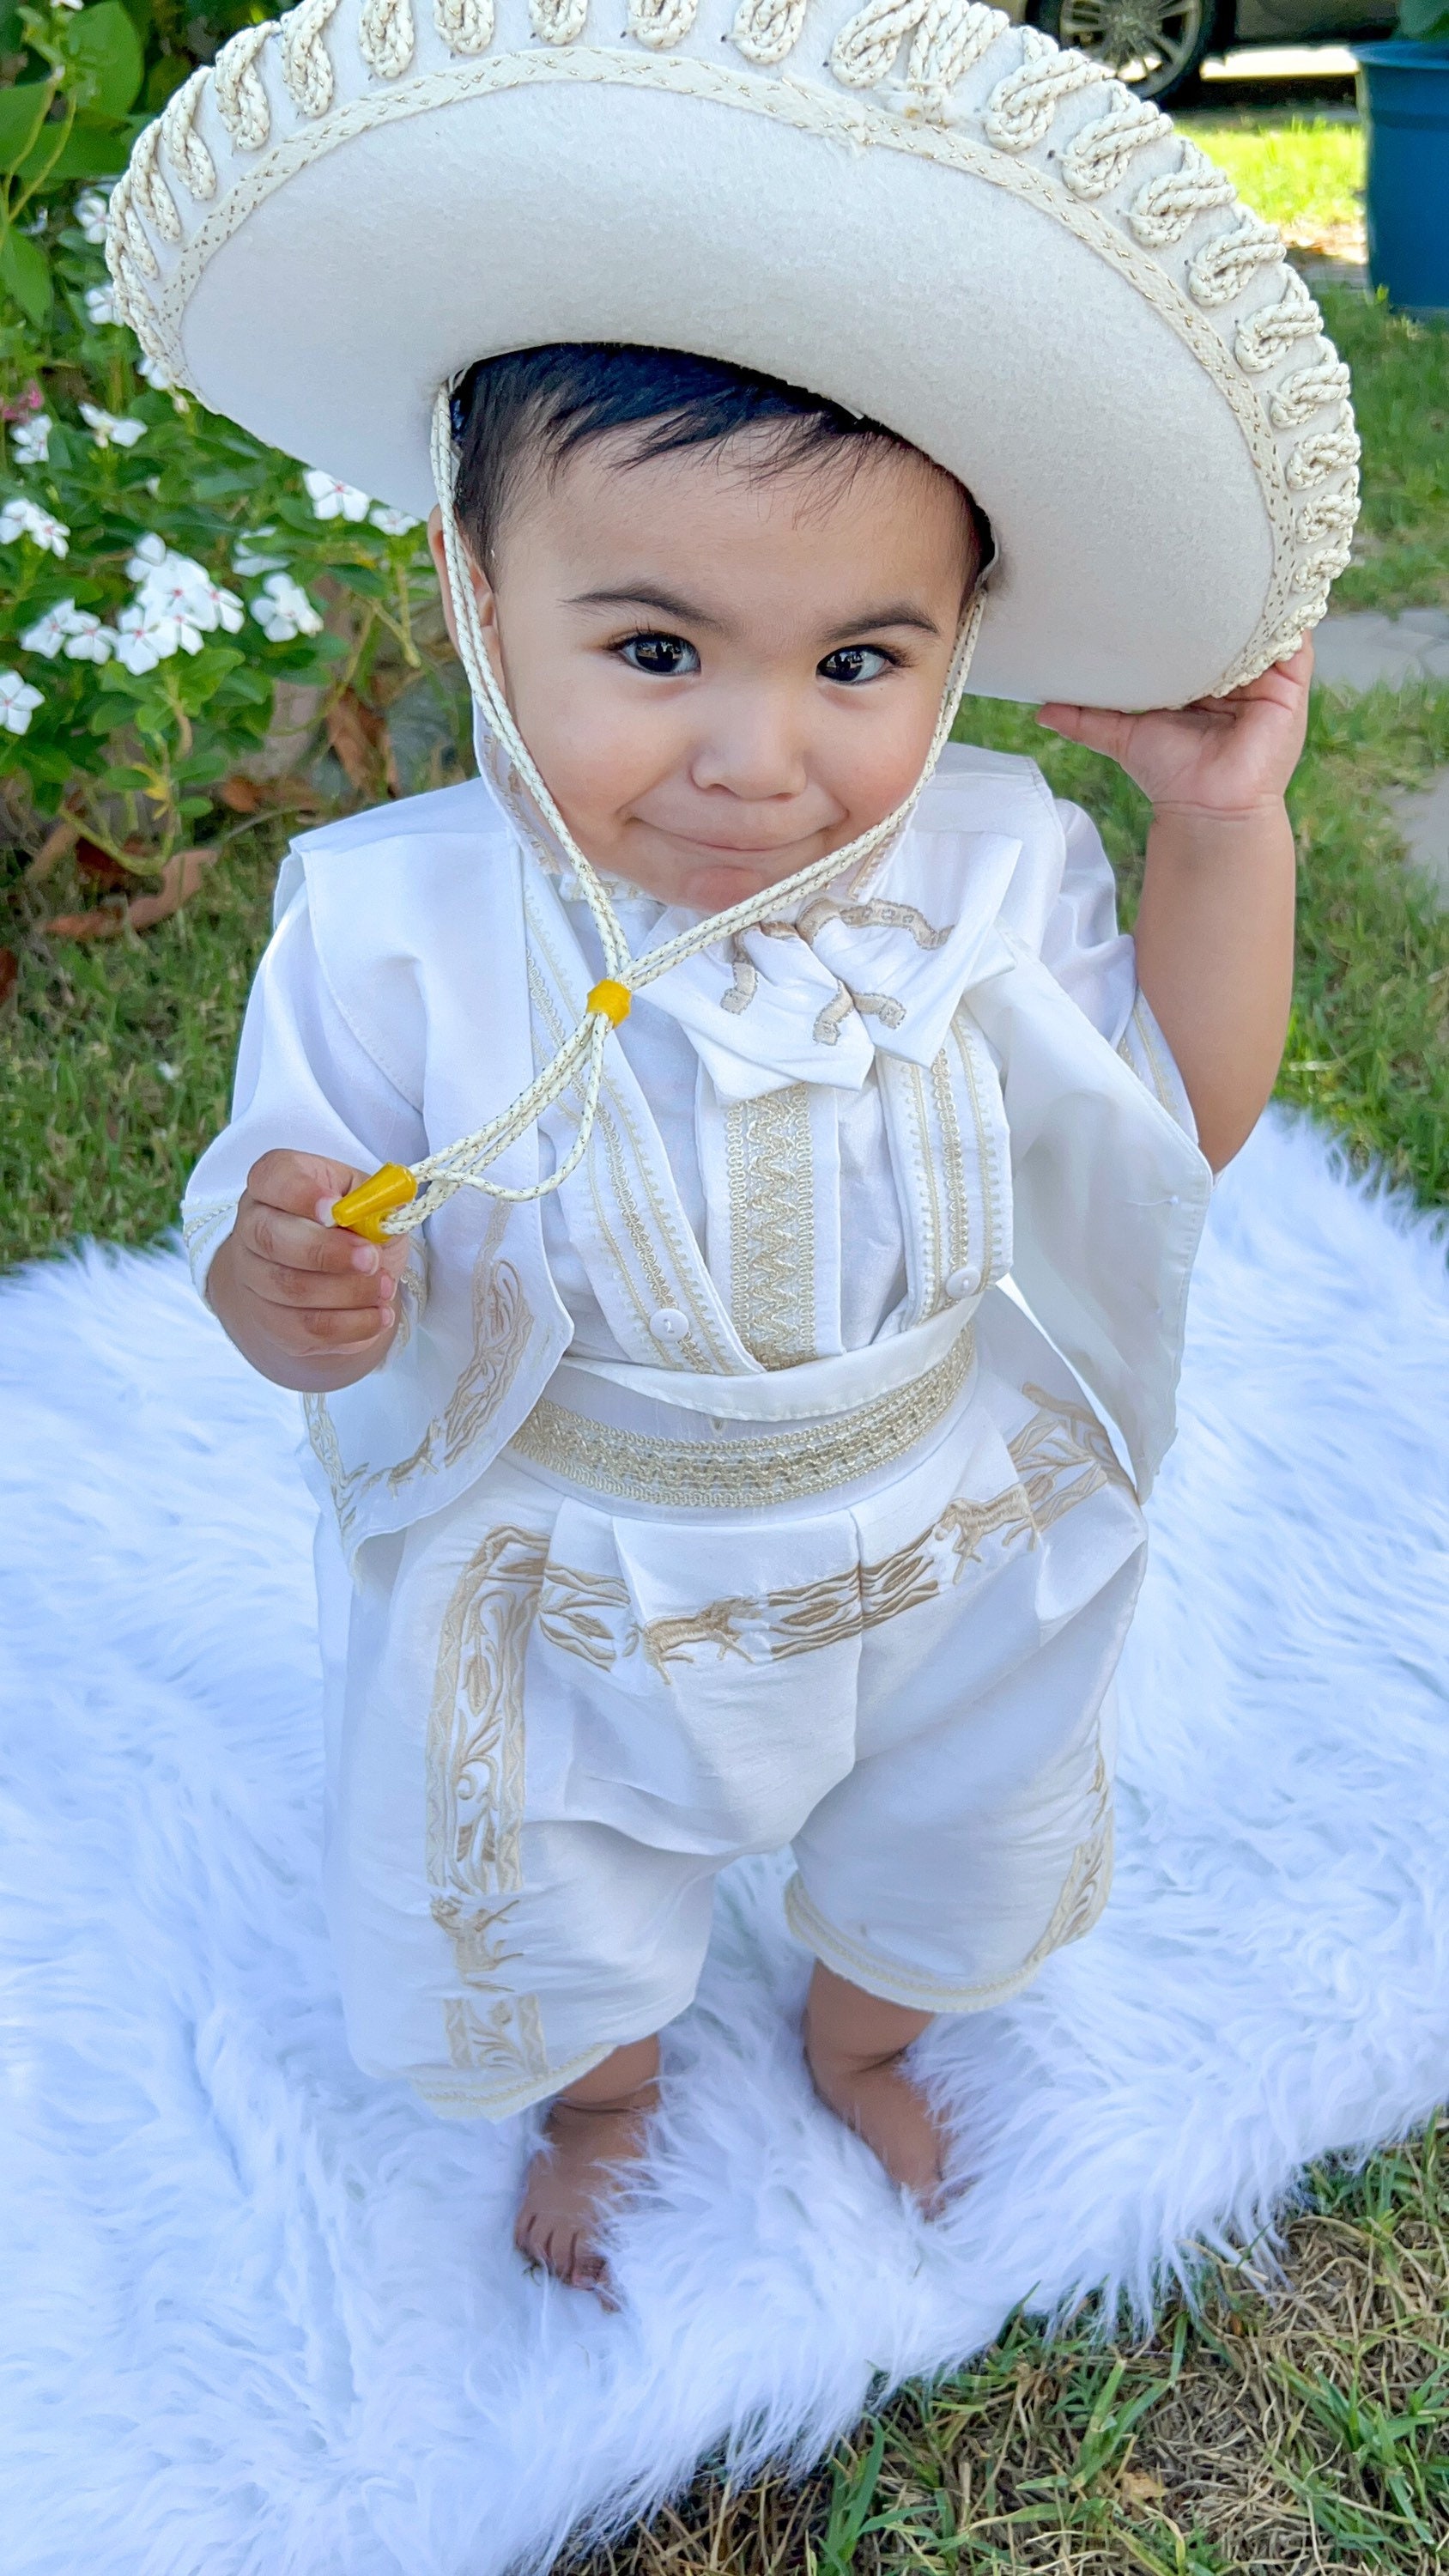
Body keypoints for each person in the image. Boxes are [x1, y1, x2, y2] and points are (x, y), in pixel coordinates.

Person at [111, 0, 1356, 2297]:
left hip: (940, 1515)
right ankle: (610, 2101)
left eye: (859, 663)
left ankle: (867, 2045)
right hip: (579, 1552)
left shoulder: (991, 866)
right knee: (548, 1872)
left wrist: (1221, 833)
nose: (757, 759)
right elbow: (282, 1195)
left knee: (947, 1839)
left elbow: (1174, 1123)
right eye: (660, 647)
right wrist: (282, 1275)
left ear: (960, 640)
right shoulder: (392, 924)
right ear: (481, 600)